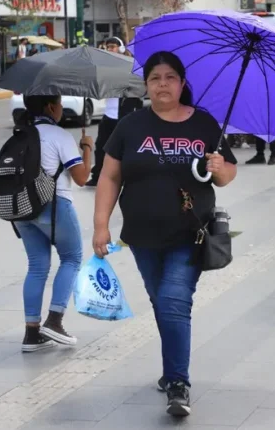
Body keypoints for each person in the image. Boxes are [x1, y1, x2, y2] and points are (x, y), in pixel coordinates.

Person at [93, 51, 237, 417]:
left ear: (182, 84)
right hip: (142, 236)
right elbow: (110, 177)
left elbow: (227, 174)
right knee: (162, 303)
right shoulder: (130, 125)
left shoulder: (204, 125)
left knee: (174, 302)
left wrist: (220, 168)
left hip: (190, 233)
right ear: (147, 85)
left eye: (170, 77)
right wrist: (100, 225)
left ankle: (177, 382)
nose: (162, 84)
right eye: (155, 77)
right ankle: (171, 368)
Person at [14, 95, 94, 352]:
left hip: (22, 208)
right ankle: (55, 320)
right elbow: (82, 178)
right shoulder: (59, 136)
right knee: (72, 257)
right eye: (59, 102)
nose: (60, 107)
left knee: (37, 266)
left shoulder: (20, 134)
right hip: (54, 204)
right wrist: (87, 148)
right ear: (51, 106)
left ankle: (32, 333)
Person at [87, 37, 143, 186]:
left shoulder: (131, 66)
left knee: (125, 147)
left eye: (112, 46)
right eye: (107, 47)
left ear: (121, 48)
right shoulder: (105, 66)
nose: (110, 49)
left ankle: (127, 176)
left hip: (126, 112)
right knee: (101, 146)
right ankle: (97, 175)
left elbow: (139, 88)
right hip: (109, 113)